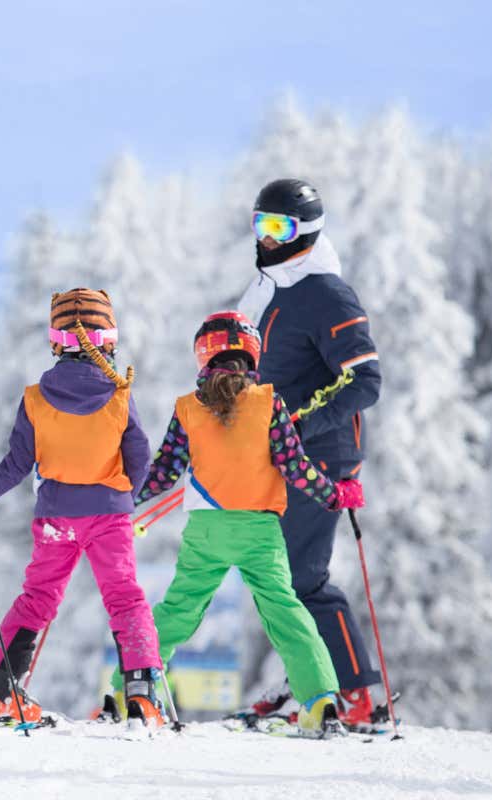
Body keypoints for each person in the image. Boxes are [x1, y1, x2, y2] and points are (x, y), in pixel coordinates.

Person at [128, 310, 365, 737]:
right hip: (260, 531)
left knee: (180, 610)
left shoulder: (188, 408)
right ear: (252, 355)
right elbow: (295, 466)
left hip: (207, 531)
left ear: (203, 356)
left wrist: (121, 497)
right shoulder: (270, 405)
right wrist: (334, 494)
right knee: (287, 613)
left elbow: (163, 471)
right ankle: (321, 702)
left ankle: (135, 692)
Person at [0, 288, 165, 726]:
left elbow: (16, 465)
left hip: (56, 519)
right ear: (108, 340)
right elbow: (139, 460)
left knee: (38, 598)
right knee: (124, 599)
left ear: (55, 340)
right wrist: (122, 500)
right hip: (109, 516)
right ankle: (141, 694)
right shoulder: (120, 397)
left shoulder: (35, 399)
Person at [236, 179, 384, 728]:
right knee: (275, 577)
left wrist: (299, 425)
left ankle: (352, 694)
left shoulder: (324, 292)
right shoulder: (271, 289)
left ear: (308, 232)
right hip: (275, 453)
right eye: (262, 225)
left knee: (303, 579)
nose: (269, 239)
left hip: (318, 454)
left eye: (282, 228)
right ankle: (306, 681)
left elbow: (364, 380)